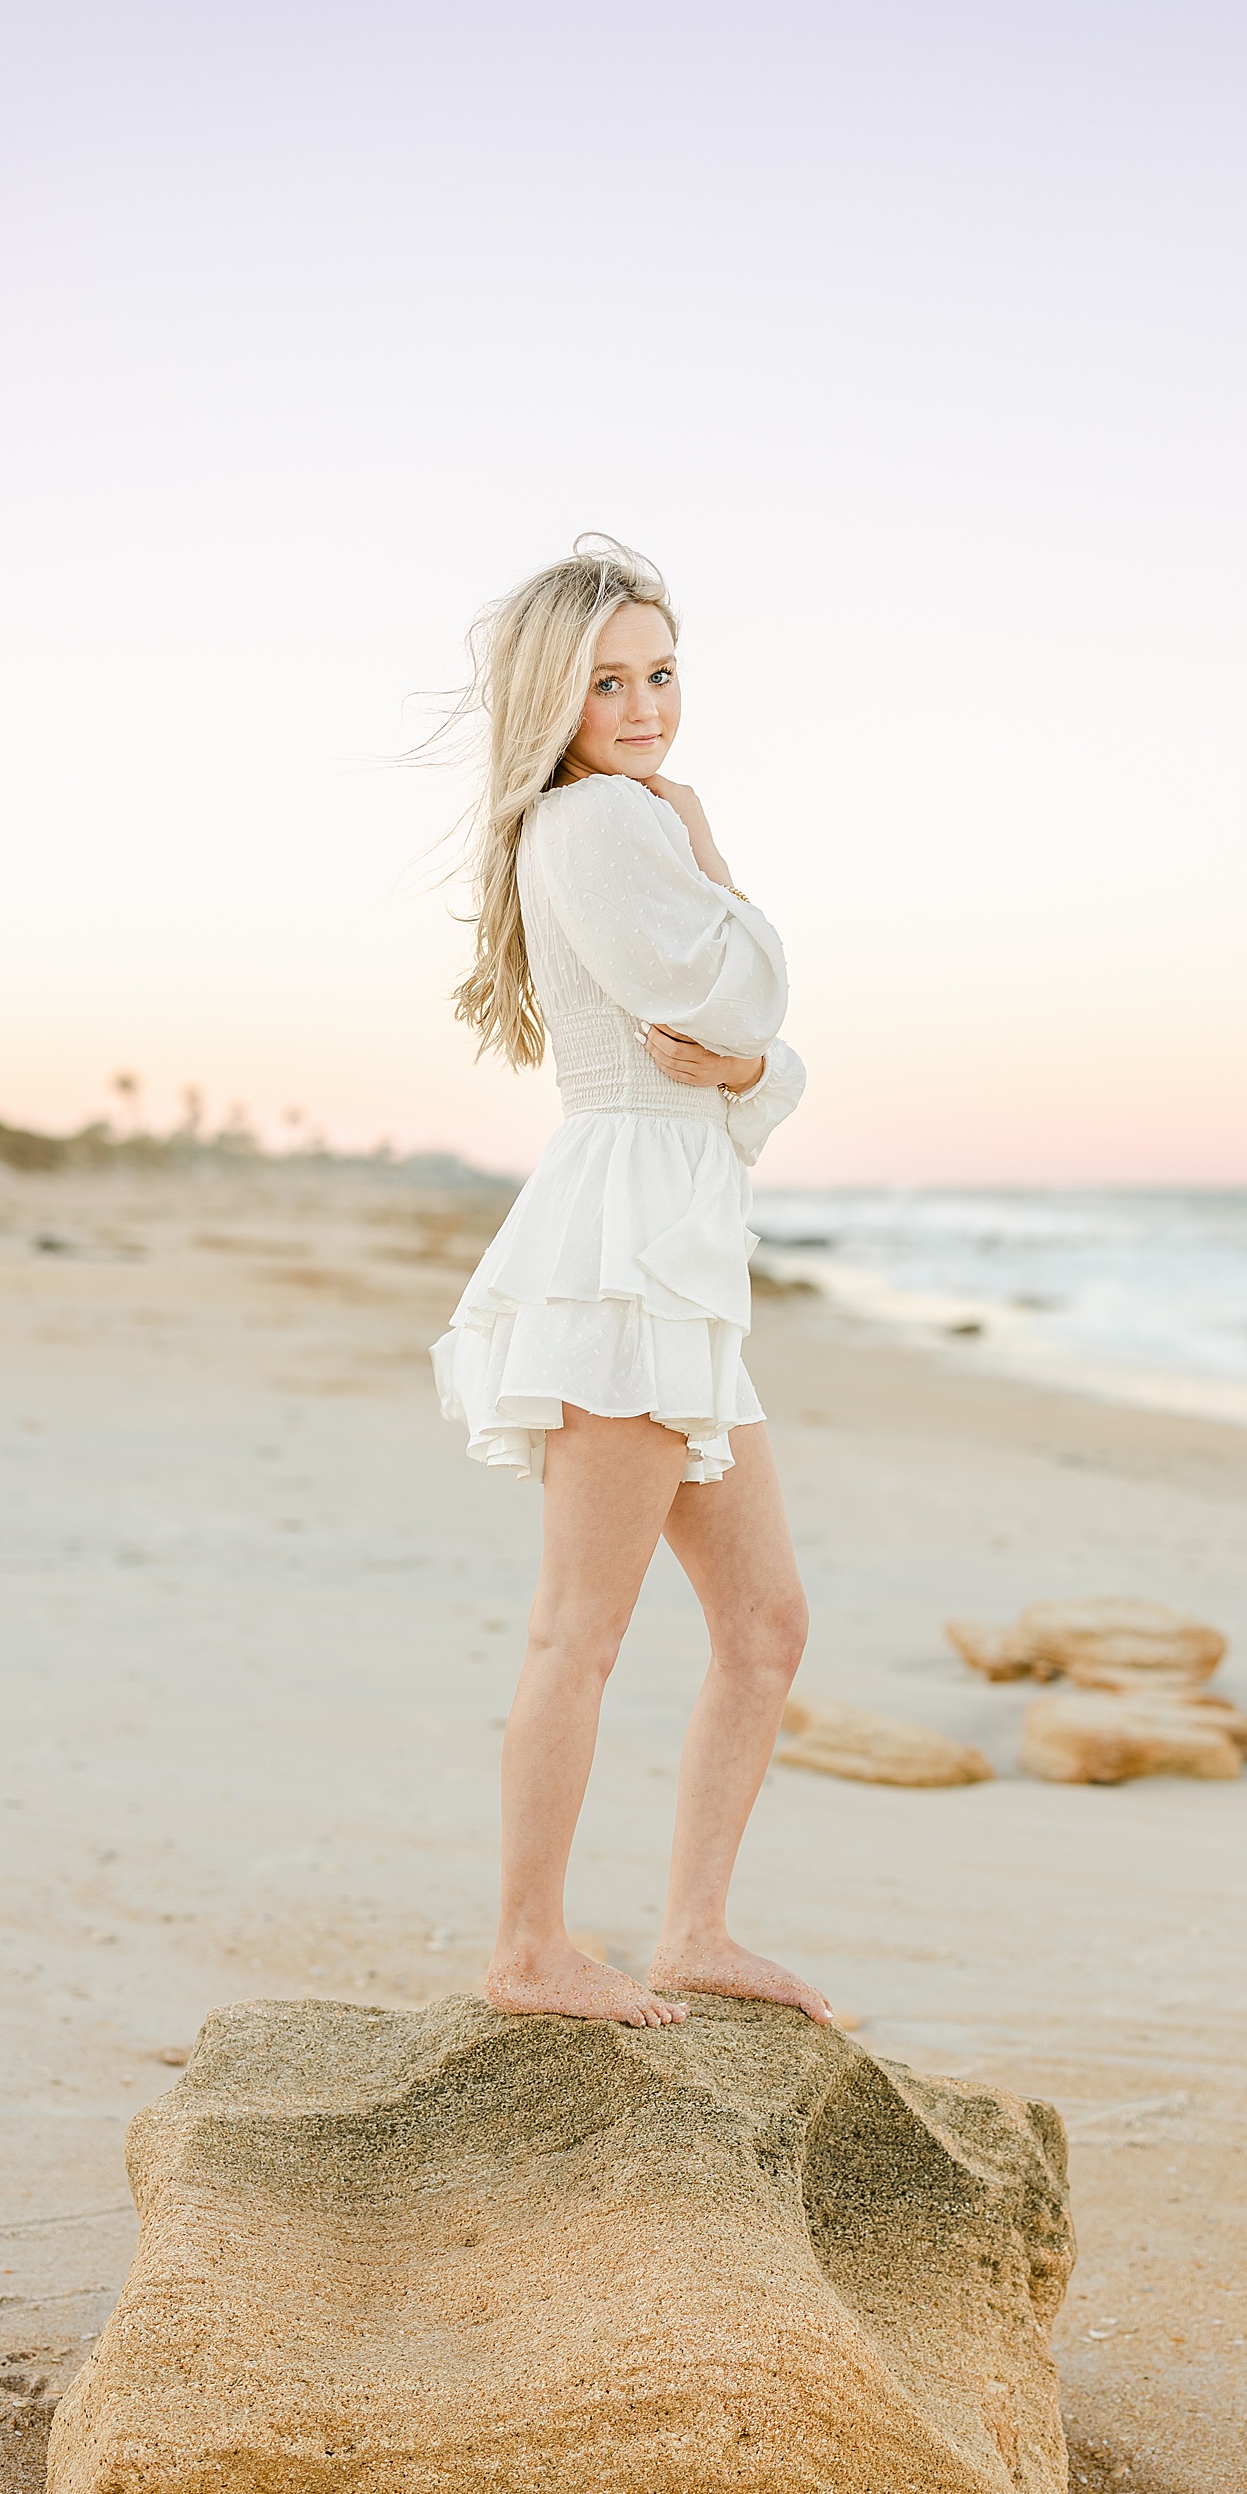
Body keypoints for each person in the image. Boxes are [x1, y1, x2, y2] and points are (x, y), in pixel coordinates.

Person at [431, 537, 828, 2030]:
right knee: (578, 1626)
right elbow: (746, 1003)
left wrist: (744, 1059)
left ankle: (695, 1930)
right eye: (610, 682)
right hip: (625, 1253)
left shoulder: (617, 822)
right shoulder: (607, 826)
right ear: (557, 699)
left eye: (661, 673)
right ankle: (528, 1948)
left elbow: (747, 1071)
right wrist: (721, 875)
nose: (647, 706)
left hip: (674, 1244)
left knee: (766, 1626)